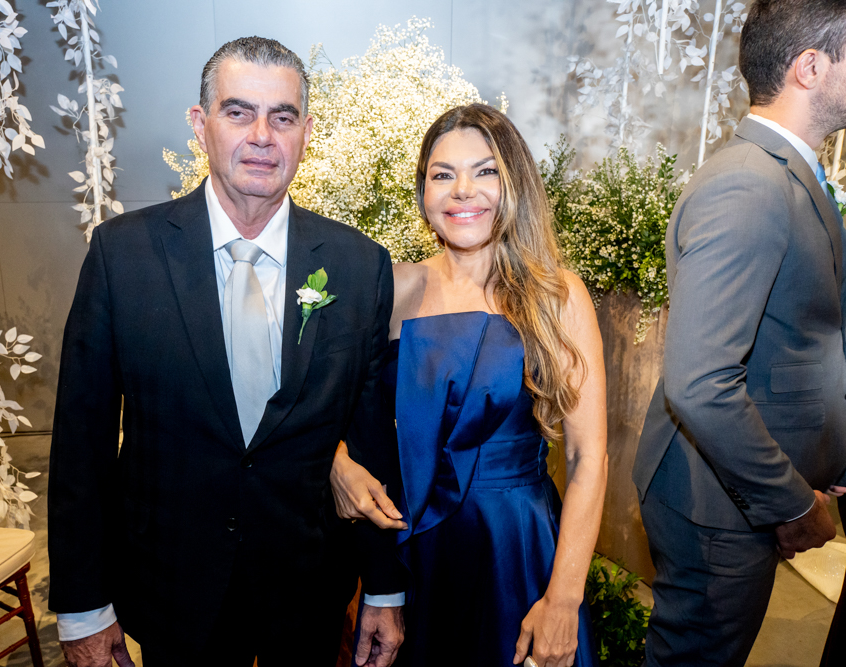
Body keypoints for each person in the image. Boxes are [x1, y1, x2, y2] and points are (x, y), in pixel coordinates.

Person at [47, 37, 405, 667]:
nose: (262, 136)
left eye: (283, 117)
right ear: (200, 124)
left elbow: (372, 437)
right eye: (238, 112)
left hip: (309, 589)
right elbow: (83, 441)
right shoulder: (122, 255)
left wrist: (383, 587)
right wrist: (83, 610)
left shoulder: (359, 265)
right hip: (173, 591)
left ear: (306, 133)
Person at [331, 104, 607, 667]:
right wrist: (337, 462)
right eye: (443, 174)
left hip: (517, 550)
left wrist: (563, 598)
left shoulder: (557, 296)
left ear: (515, 183)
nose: (462, 190)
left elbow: (588, 459)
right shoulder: (394, 289)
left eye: (485, 171)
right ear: (423, 192)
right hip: (414, 553)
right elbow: (334, 413)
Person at [631, 1, 846, 665]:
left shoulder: (787, 173)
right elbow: (701, 383)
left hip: (736, 487)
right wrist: (790, 504)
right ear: (810, 67)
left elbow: (794, 342)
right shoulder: (749, 184)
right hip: (717, 503)